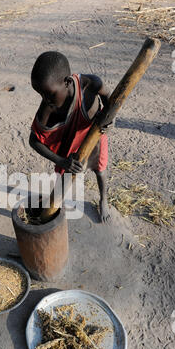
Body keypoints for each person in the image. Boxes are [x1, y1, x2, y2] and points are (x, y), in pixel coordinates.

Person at [29, 51, 114, 223]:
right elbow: (34, 141)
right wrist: (61, 160)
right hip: (70, 144)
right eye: (41, 94)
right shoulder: (47, 108)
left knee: (100, 170)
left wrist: (110, 119)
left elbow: (110, 100)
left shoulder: (91, 85)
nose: (45, 99)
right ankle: (52, 209)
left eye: (49, 94)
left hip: (94, 136)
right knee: (65, 176)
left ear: (67, 82)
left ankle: (103, 199)